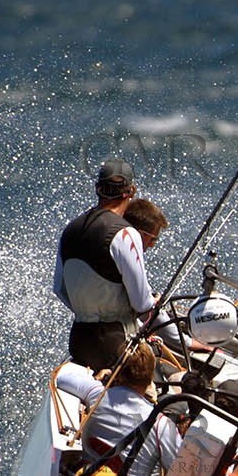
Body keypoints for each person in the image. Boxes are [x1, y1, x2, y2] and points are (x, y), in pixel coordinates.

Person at [54, 158, 156, 370]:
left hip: (80, 343)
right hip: (117, 346)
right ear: (131, 191)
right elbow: (141, 303)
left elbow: (60, 289)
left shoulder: (69, 231)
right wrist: (153, 302)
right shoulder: (126, 234)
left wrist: (88, 313)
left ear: (98, 189)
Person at [82, 342, 180, 476]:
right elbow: (180, 475)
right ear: (150, 379)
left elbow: (64, 376)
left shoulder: (95, 394)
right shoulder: (161, 424)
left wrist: (97, 379)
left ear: (117, 372)